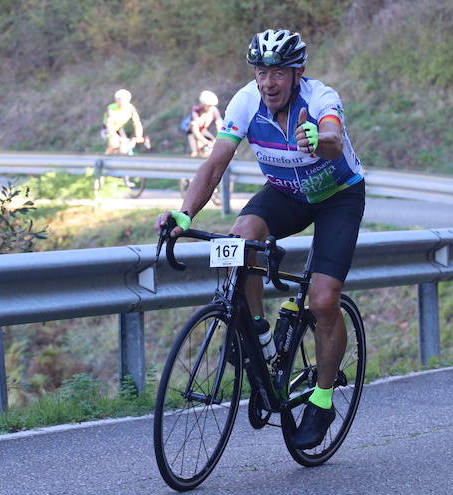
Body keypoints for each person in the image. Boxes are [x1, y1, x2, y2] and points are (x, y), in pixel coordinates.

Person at [157, 28, 366, 450]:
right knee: (240, 238)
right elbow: (216, 164)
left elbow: (333, 139)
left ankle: (322, 401)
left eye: (278, 73)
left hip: (336, 198)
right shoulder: (246, 102)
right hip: (287, 194)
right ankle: (258, 334)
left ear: (297, 73)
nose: (268, 82)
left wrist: (317, 139)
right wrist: (184, 212)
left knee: (323, 300)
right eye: (261, 71)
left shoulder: (321, 98)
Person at [103, 88, 147, 154]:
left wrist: (139, 136)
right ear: (116, 100)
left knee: (124, 149)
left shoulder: (131, 108)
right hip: (108, 129)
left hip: (120, 129)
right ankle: (103, 159)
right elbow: (110, 126)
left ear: (128, 100)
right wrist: (117, 138)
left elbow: (137, 123)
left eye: (124, 99)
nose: (121, 102)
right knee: (114, 144)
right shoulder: (111, 108)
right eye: (119, 99)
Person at [184, 90, 222, 157]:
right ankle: (197, 150)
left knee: (214, 145)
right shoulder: (196, 110)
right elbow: (195, 127)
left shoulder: (214, 110)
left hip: (203, 131)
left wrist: (221, 140)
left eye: (211, 105)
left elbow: (219, 123)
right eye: (209, 105)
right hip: (193, 133)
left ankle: (205, 149)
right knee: (196, 151)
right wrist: (205, 142)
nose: (210, 107)